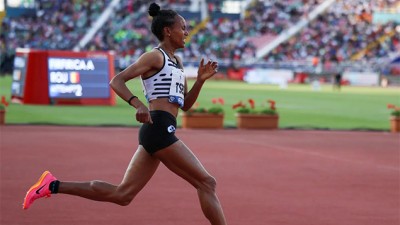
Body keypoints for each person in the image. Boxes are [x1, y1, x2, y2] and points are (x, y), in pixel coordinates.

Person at [22, 3, 227, 225]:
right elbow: (116, 80)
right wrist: (138, 104)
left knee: (122, 195)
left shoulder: (177, 62)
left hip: (157, 130)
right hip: (158, 128)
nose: (187, 32)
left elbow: (185, 105)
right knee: (207, 183)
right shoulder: (154, 57)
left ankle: (51, 185)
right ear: (168, 31)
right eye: (183, 27)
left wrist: (199, 81)